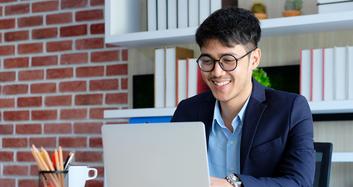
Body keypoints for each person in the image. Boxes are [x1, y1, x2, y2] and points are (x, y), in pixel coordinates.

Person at [171, 7, 315, 187]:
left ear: (254, 59)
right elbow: (172, 173)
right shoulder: (187, 111)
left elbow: (299, 182)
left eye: (228, 60)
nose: (217, 72)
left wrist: (232, 184)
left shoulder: (291, 108)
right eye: (208, 61)